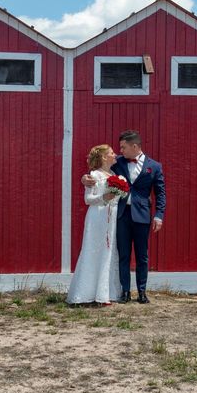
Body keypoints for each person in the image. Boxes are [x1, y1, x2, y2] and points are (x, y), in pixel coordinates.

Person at [82, 130, 166, 304]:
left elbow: (160, 193)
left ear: (135, 146)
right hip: (120, 216)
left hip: (142, 215)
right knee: (123, 255)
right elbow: (97, 169)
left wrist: (159, 215)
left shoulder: (155, 166)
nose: (121, 151)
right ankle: (125, 292)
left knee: (142, 256)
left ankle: (142, 292)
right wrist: (84, 178)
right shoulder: (117, 162)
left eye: (124, 147)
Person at [67, 145, 122, 305]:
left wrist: (117, 195)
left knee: (108, 250)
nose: (115, 154)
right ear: (104, 157)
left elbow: (118, 197)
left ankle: (105, 293)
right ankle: (86, 292)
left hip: (110, 218)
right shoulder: (94, 175)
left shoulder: (114, 175)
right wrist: (106, 197)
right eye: (112, 153)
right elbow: (88, 199)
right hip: (97, 217)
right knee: (93, 249)